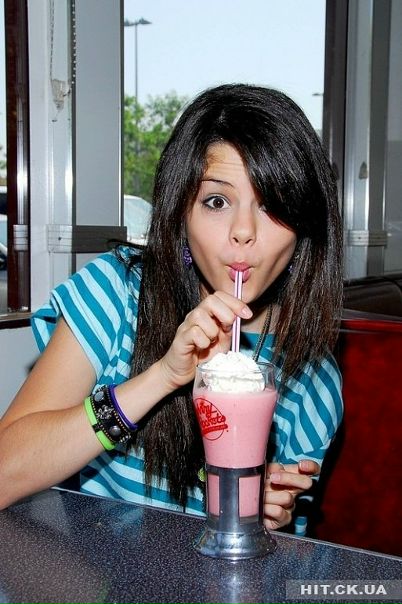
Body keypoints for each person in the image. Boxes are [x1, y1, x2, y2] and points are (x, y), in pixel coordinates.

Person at [0, 84, 343, 535]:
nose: (243, 231)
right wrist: (161, 377)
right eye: (217, 201)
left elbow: (280, 560)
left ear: (303, 228)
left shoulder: (313, 382)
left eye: (271, 205)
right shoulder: (117, 294)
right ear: (181, 213)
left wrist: (265, 518)